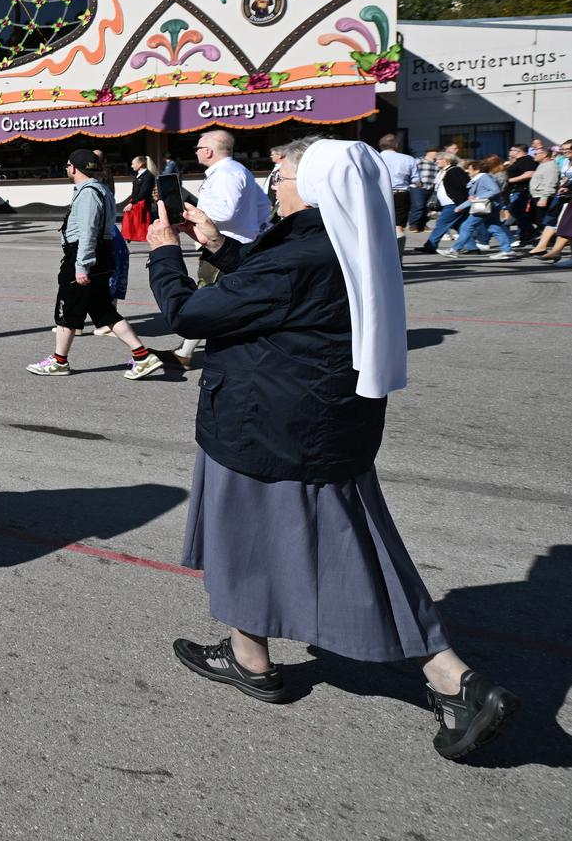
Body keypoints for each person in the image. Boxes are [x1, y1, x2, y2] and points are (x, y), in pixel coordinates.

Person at [146, 137, 516, 760]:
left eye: (283, 173)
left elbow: (194, 313)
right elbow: (275, 296)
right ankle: (249, 656)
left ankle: (455, 681)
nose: (274, 182)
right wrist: (216, 244)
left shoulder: (300, 256)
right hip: (316, 422)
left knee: (349, 558)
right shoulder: (340, 242)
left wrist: (163, 256)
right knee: (254, 544)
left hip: (270, 427)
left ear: (315, 186)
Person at [28, 150, 163, 380]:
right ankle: (142, 356)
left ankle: (59, 361)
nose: (67, 169)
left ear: (74, 168)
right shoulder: (101, 189)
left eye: (68, 165)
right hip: (100, 255)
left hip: (84, 257)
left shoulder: (89, 193)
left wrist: (82, 265)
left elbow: (88, 231)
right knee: (103, 311)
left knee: (66, 310)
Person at [171, 130, 272, 369]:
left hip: (222, 246)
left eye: (197, 147)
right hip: (236, 243)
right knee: (219, 298)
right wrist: (252, 229)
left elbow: (223, 212)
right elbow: (264, 205)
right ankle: (186, 351)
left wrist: (187, 213)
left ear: (208, 151)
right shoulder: (237, 170)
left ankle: (191, 352)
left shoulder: (225, 174)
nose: (195, 151)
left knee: (210, 299)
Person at [443, 160, 515, 259]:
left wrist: (478, 198)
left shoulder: (484, 177)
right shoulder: (481, 178)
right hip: (490, 207)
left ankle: (455, 250)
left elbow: (495, 190)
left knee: (466, 226)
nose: (467, 171)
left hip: (484, 207)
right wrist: (461, 207)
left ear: (476, 170)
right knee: (494, 227)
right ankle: (507, 250)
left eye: (469, 169)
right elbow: (475, 197)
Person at [417, 154, 469, 253]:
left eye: (439, 159)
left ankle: (430, 246)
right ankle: (472, 247)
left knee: (441, 223)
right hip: (449, 204)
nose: (436, 161)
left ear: (447, 160)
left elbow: (465, 185)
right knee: (459, 225)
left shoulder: (455, 170)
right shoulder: (443, 171)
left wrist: (461, 200)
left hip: (453, 203)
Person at [377, 134, 417, 238]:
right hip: (401, 194)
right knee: (398, 226)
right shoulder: (408, 159)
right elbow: (416, 180)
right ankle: (397, 250)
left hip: (379, 192)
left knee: (378, 223)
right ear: (396, 145)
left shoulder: (375, 157)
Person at [503, 145, 537, 247]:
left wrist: (510, 180)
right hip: (515, 190)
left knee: (516, 211)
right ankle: (525, 235)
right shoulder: (518, 161)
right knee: (515, 212)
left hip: (521, 190)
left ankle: (531, 232)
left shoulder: (527, 160)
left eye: (511, 150)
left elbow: (530, 174)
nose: (509, 151)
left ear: (518, 151)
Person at [121, 157, 154, 242]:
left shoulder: (148, 175)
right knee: (128, 219)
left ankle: (136, 236)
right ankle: (128, 236)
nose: (132, 166)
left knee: (139, 222)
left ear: (140, 164)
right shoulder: (137, 175)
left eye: (133, 163)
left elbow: (144, 192)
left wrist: (132, 203)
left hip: (142, 203)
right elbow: (134, 191)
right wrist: (130, 201)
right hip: (135, 201)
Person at [409, 148, 439, 232]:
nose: (436, 154)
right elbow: (411, 170)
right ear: (428, 152)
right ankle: (413, 225)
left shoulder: (436, 163)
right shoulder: (419, 160)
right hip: (418, 187)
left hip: (430, 187)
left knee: (427, 207)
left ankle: (422, 224)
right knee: (418, 206)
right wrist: (415, 181)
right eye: (435, 152)